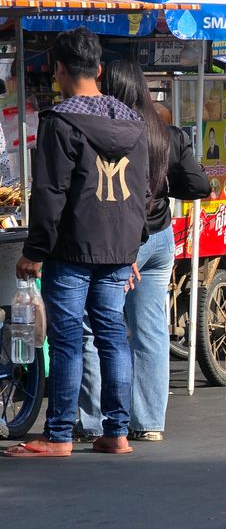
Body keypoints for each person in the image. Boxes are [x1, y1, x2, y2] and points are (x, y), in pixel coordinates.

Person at [4, 28, 149, 458]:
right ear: (100, 69)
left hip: (72, 249)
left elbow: (50, 194)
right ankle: (117, 432)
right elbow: (144, 190)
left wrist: (34, 252)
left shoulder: (60, 122)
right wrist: (134, 244)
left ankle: (60, 434)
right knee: (112, 336)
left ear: (59, 70)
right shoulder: (133, 122)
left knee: (67, 339)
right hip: (119, 246)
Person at [77, 60, 211, 443]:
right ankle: (149, 421)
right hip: (160, 238)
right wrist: (164, 186)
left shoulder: (112, 133)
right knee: (151, 330)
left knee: (95, 327)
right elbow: (200, 185)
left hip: (120, 240)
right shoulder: (166, 135)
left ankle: (92, 420)